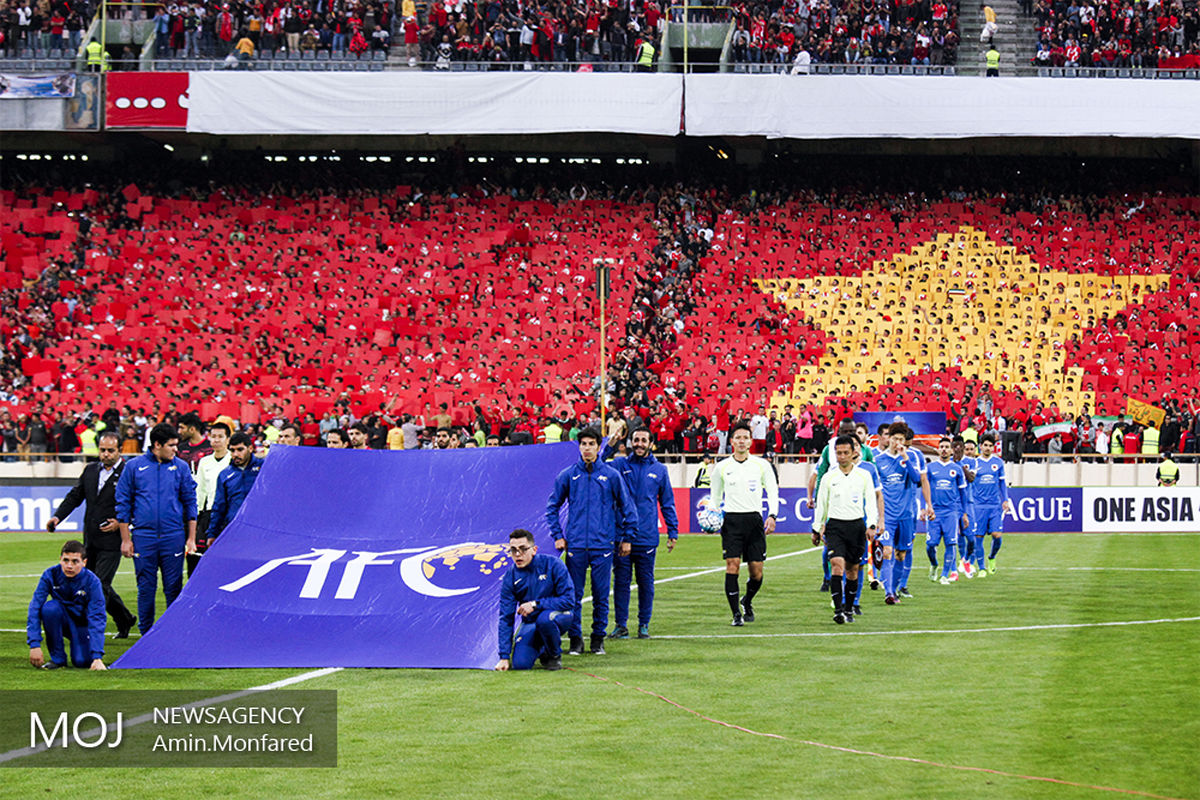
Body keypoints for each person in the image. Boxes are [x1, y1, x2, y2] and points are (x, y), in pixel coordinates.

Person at [545, 428, 638, 656]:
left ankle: (598, 639)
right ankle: (576, 639)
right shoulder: (568, 475)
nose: (587, 448)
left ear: (599, 447)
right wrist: (558, 535)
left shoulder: (611, 476)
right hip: (576, 545)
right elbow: (552, 507)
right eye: (583, 444)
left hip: (603, 546)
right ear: (579, 447)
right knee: (573, 596)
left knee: (600, 595)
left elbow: (628, 508)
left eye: (591, 444)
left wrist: (626, 538)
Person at [46, 431, 136, 637]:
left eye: (110, 451)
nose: (105, 454)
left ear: (120, 451)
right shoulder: (90, 470)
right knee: (93, 581)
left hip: (113, 540)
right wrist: (58, 517)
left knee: (100, 584)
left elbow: (137, 502)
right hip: (91, 539)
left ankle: (86, 627)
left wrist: (123, 523)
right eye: (102, 450)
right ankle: (125, 619)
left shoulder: (129, 473)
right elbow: (75, 496)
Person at [115, 423, 197, 635]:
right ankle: (146, 634)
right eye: (171, 446)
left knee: (173, 588)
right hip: (144, 536)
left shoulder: (181, 467)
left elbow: (190, 502)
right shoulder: (134, 467)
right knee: (146, 588)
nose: (175, 450)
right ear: (157, 445)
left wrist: (191, 538)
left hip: (173, 536)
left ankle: (173, 633)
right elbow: (123, 503)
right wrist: (126, 539)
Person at [607, 428, 679, 639]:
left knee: (646, 582)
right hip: (621, 536)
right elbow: (596, 463)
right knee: (621, 583)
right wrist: (610, 445)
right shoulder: (620, 465)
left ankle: (644, 624)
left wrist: (672, 530)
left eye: (643, 440)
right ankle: (621, 625)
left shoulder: (660, 470)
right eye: (635, 440)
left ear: (651, 443)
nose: (639, 443)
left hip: (647, 536)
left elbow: (667, 503)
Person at [711, 422, 779, 626]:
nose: (741, 441)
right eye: (737, 437)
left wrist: (772, 515)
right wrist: (713, 518)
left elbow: (773, 491)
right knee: (732, 566)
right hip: (731, 521)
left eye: (745, 437)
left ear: (751, 441)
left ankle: (747, 601)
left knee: (756, 572)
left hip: (754, 521)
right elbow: (715, 497)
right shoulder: (722, 467)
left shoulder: (762, 465)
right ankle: (736, 615)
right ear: (731, 441)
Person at [812, 436, 878, 624]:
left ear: (854, 453)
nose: (842, 456)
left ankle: (849, 609)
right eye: (839, 453)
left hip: (856, 526)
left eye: (845, 453)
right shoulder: (828, 477)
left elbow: (871, 502)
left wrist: (871, 524)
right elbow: (821, 504)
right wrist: (817, 528)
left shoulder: (863, 476)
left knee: (852, 571)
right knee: (837, 566)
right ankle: (838, 610)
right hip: (835, 527)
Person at [494, 529, 575, 671]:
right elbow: (506, 617)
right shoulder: (511, 577)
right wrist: (504, 657)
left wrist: (535, 604)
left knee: (545, 620)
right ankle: (542, 648)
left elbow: (568, 600)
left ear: (534, 549)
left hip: (559, 616)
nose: (518, 554)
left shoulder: (553, 564)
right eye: (513, 550)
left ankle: (554, 656)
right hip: (531, 622)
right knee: (521, 665)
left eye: (523, 549)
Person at [27, 540, 108, 670]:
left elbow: (97, 617)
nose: (69, 566)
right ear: (60, 560)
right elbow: (35, 607)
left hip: (82, 625)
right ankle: (57, 659)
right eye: (66, 560)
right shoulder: (50, 575)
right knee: (50, 608)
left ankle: (84, 648)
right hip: (61, 620)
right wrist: (34, 644)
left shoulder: (92, 581)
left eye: (75, 561)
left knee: (82, 662)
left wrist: (97, 656)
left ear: (84, 562)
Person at [873, 423, 921, 605]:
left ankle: (895, 588)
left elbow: (917, 480)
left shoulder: (910, 458)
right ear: (889, 439)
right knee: (887, 552)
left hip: (906, 515)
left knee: (901, 554)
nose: (897, 442)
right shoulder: (878, 461)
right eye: (894, 439)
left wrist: (905, 457)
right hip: (888, 516)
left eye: (901, 439)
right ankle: (889, 593)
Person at [925, 437, 969, 585]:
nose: (944, 449)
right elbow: (925, 489)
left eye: (946, 447)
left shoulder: (957, 469)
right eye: (941, 446)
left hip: (951, 512)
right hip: (934, 512)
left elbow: (963, 493)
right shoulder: (930, 468)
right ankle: (934, 564)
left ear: (951, 450)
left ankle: (944, 575)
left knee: (951, 544)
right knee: (931, 544)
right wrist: (926, 506)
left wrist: (964, 513)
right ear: (938, 449)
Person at [208, 432, 265, 543]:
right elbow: (219, 506)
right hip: (235, 528)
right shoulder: (225, 475)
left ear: (250, 448)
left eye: (240, 449)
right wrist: (212, 533)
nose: (235, 454)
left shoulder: (264, 467)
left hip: (260, 528)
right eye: (232, 450)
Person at [192, 421, 233, 574]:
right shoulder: (204, 461)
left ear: (227, 439)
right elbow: (200, 490)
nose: (216, 440)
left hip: (228, 514)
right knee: (205, 555)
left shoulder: (232, 460)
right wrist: (196, 515)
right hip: (209, 513)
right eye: (213, 436)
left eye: (220, 437)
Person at [972, 434, 1012, 575]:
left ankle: (992, 557)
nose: (988, 448)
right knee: (978, 537)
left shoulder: (998, 462)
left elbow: (1002, 483)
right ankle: (982, 568)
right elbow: (970, 484)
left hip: (994, 506)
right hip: (978, 506)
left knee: (997, 535)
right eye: (985, 445)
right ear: (980, 446)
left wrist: (1005, 499)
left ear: (993, 447)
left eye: (990, 445)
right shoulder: (974, 463)